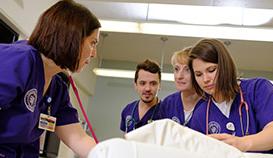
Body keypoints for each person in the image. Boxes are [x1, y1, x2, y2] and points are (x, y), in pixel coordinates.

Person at [0, 0, 101, 157]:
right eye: (93, 43)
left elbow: (78, 138)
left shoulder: (57, 89)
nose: (94, 53)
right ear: (72, 37)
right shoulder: (20, 60)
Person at [188, 38, 273, 155]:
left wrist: (242, 143)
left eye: (211, 70)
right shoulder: (200, 115)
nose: (205, 79)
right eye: (198, 74)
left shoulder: (258, 89)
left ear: (225, 66)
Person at [160, 47, 203, 128]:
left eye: (187, 70)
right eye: (176, 69)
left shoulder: (209, 104)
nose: (179, 76)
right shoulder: (168, 103)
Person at [120, 59, 162, 133]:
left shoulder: (166, 112)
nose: (148, 88)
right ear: (135, 85)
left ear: (159, 85)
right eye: (142, 83)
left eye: (153, 83)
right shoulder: (128, 110)